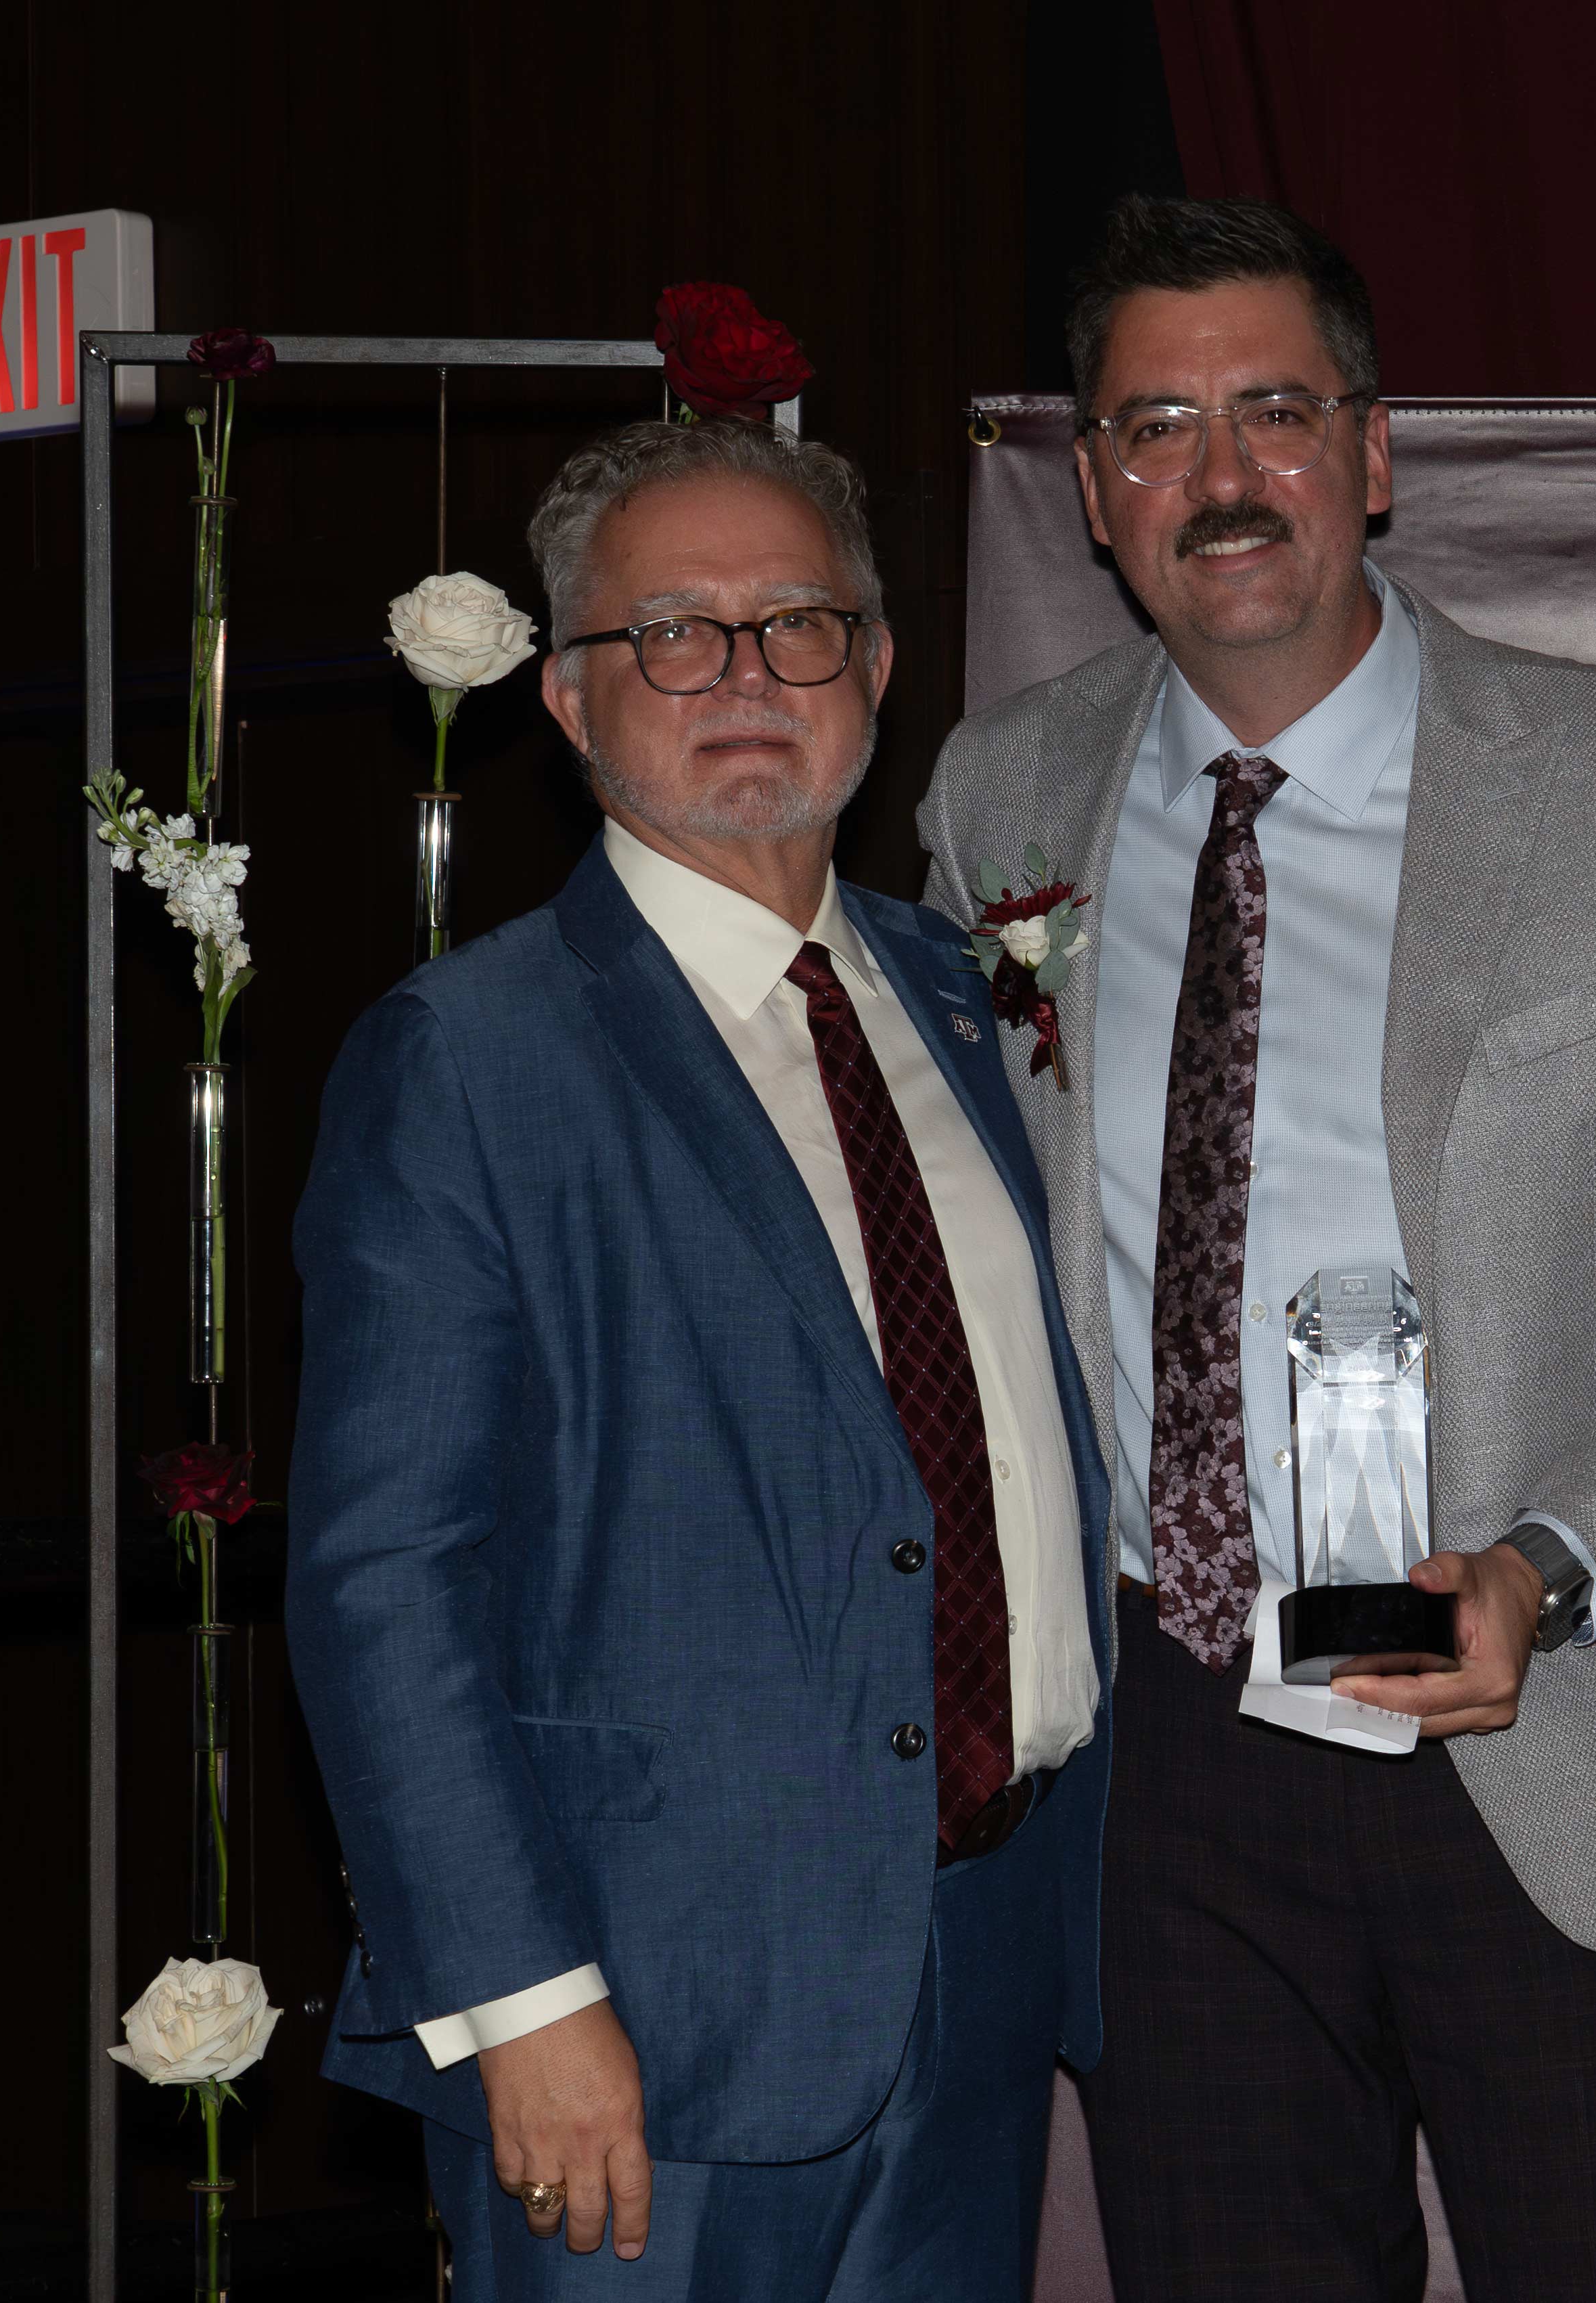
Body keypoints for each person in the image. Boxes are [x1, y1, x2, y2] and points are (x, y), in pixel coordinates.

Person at [917, 195, 1596, 2303]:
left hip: (1553, 1724)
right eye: (1156, 426)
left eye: (1276, 410)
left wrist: (1541, 1566)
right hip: (1168, 1760)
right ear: (1090, 492)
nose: (1222, 474)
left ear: (1373, 453)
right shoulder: (999, 797)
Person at [286, 416, 1112, 2302]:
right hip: (637, 2008)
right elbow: (378, 1575)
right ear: (571, 699)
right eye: (672, 633)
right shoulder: (467, 1062)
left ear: (879, 672)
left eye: (795, 625)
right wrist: (519, 1994)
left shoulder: (964, 1007)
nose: (744, 676)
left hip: (984, 1961)